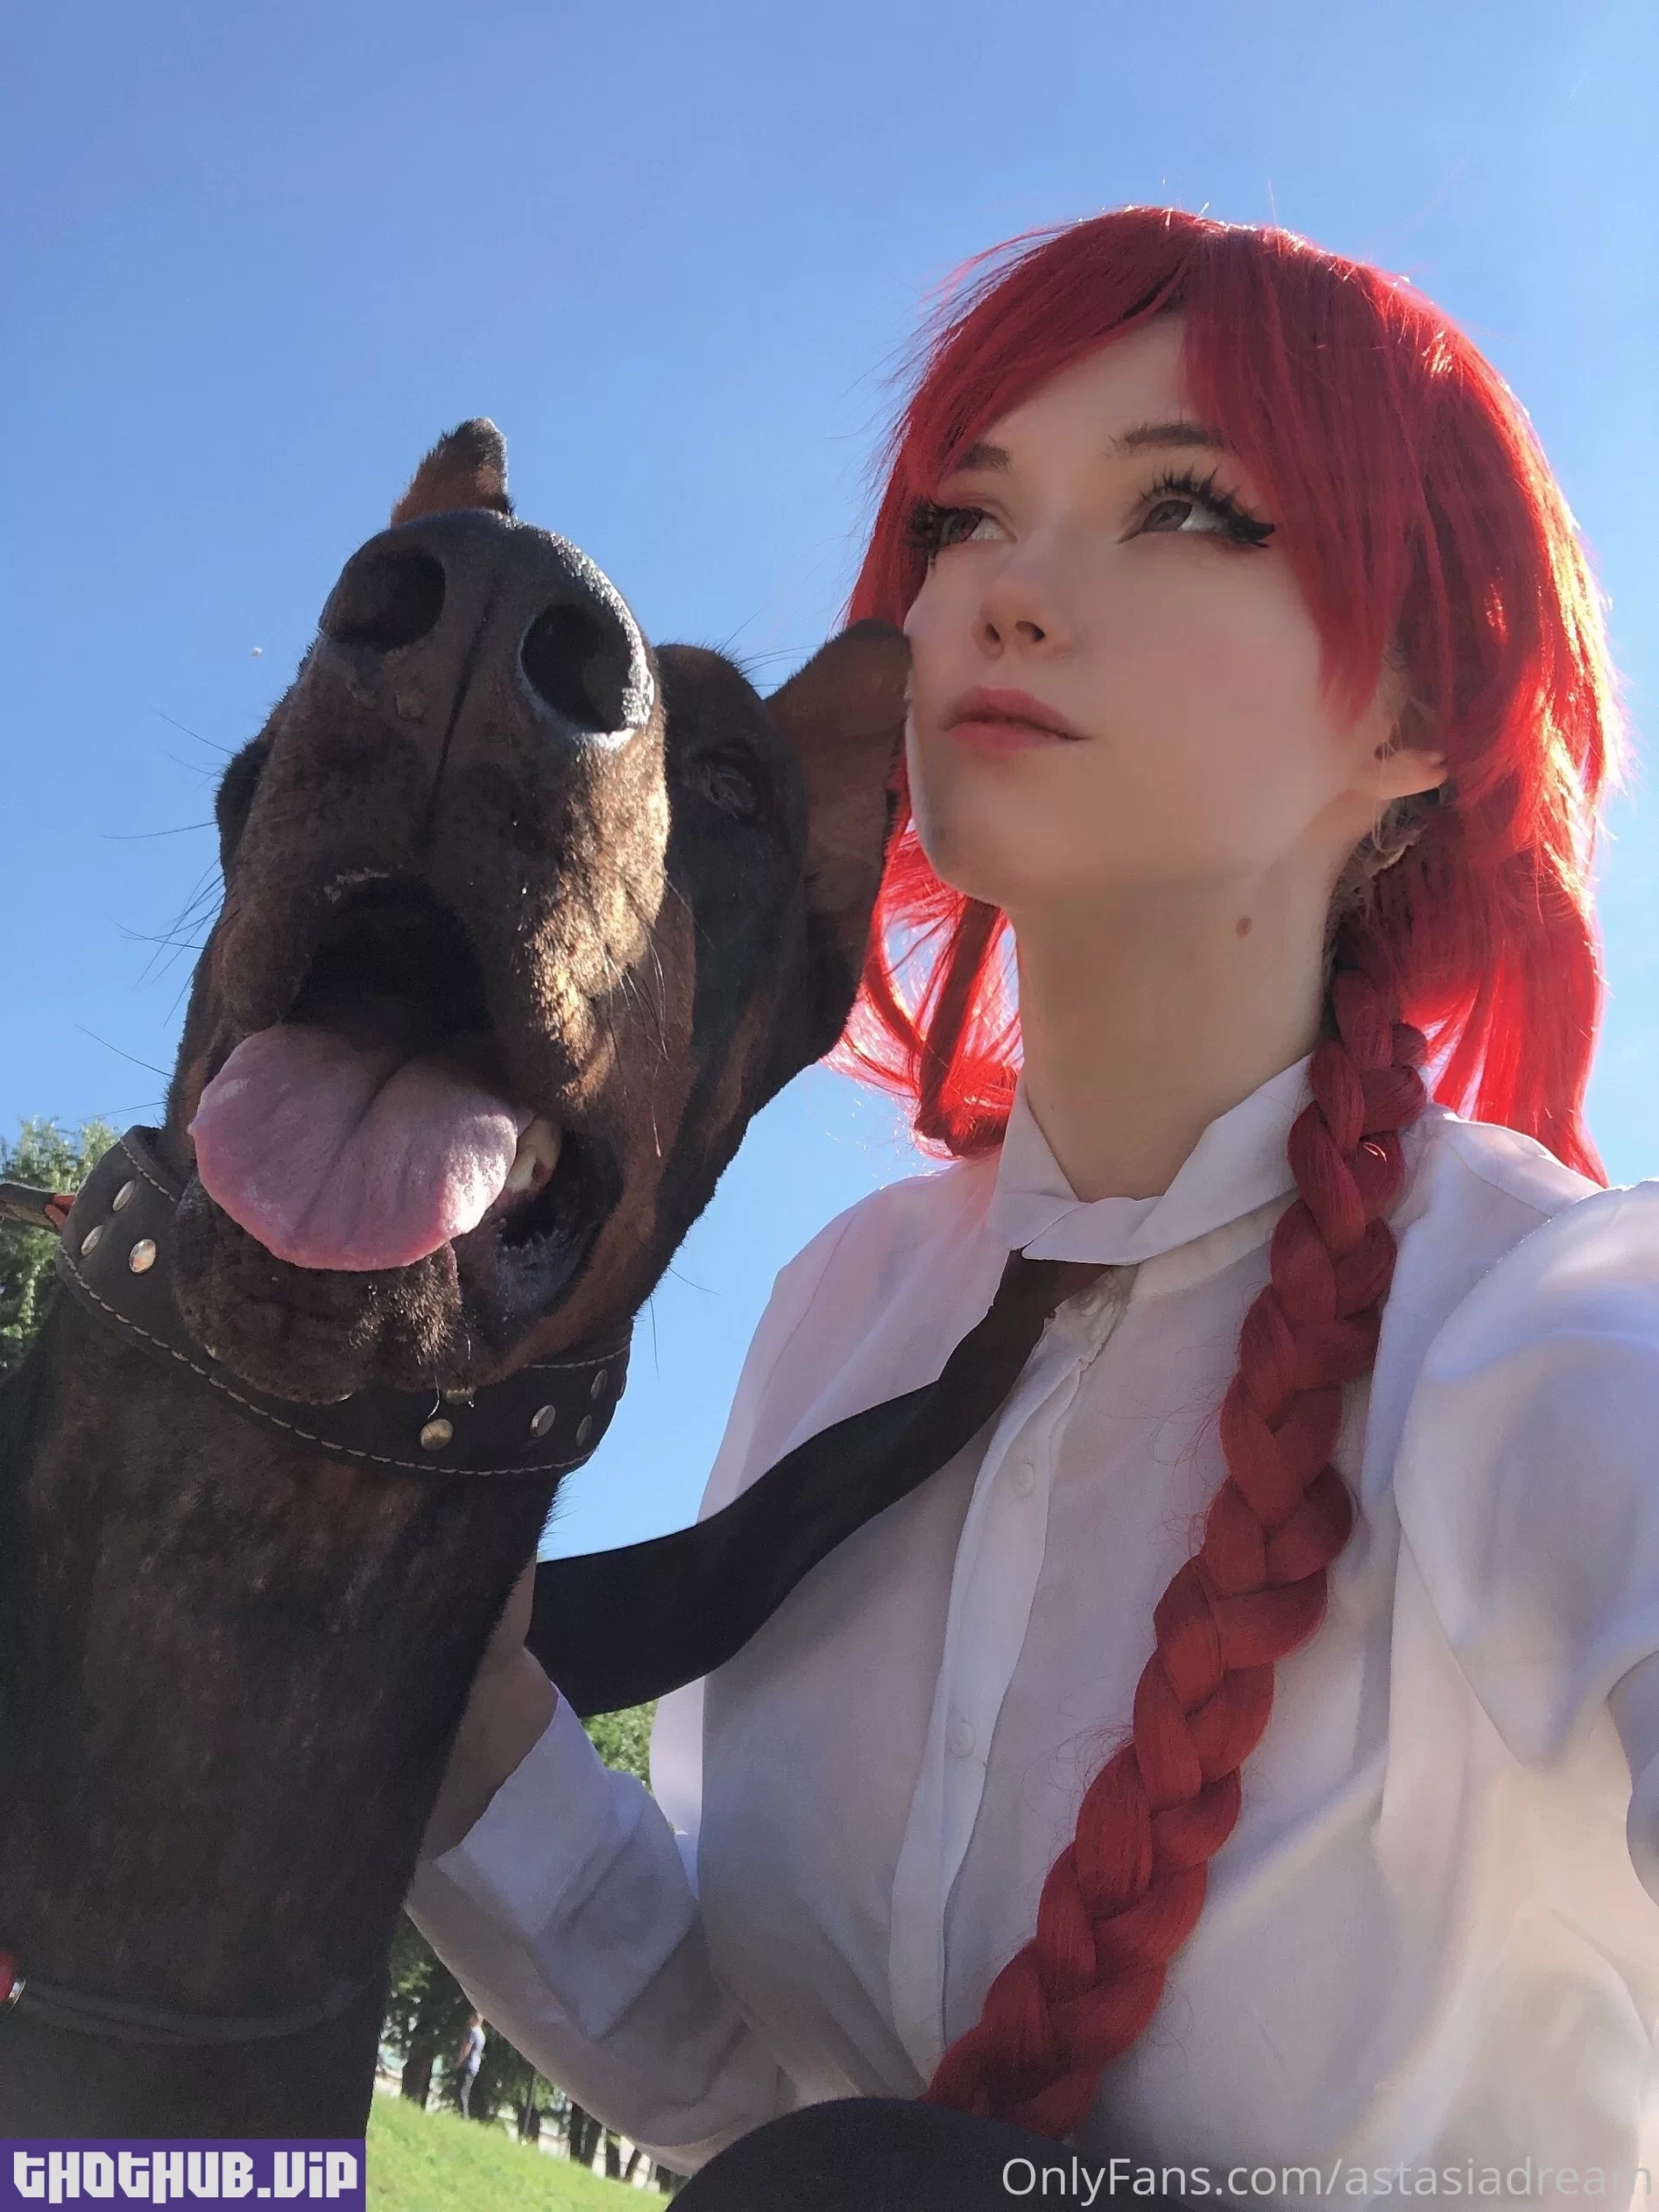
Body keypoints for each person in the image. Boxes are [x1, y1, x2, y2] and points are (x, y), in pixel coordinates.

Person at [407, 209, 1659, 2205]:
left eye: (1186, 508)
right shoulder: (842, 1310)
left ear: (1417, 707)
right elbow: (780, 2109)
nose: (1008, 590)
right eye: (964, 516)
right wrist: (428, 1690)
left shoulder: (1554, 1334)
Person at [454, 2008, 486, 2118]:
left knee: (461, 2091)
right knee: (466, 2091)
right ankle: (463, 2115)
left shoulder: (472, 2032)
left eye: (471, 2018)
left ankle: (463, 2115)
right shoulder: (482, 2035)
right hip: (475, 2067)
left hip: (467, 2065)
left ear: (475, 2019)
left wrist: (459, 2061)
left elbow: (466, 2048)